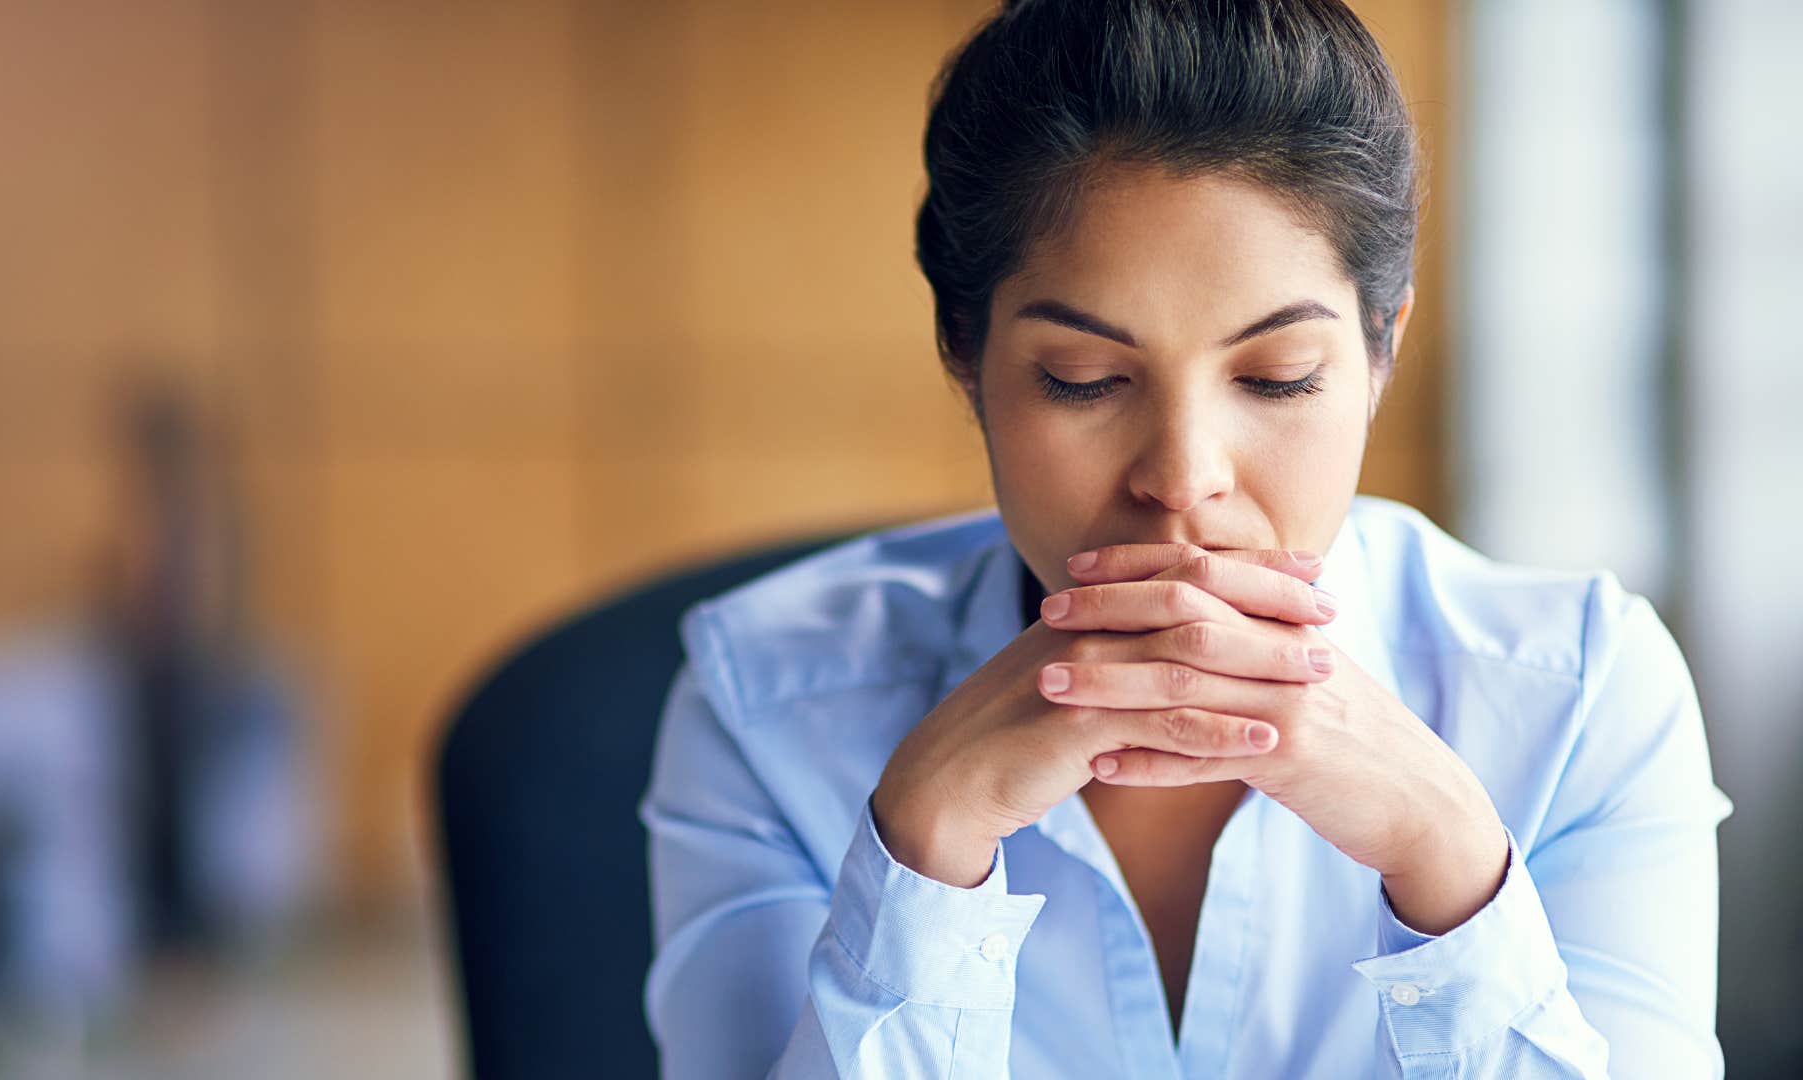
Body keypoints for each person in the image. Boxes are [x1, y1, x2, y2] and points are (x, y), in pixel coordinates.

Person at [638, 1, 1732, 1076]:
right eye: (1084, 380)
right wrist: (921, 857)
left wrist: (1446, 863)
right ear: (965, 355)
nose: (1181, 478)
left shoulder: (1578, 699)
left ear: (1379, 352)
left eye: (1277, 378)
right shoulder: (765, 704)